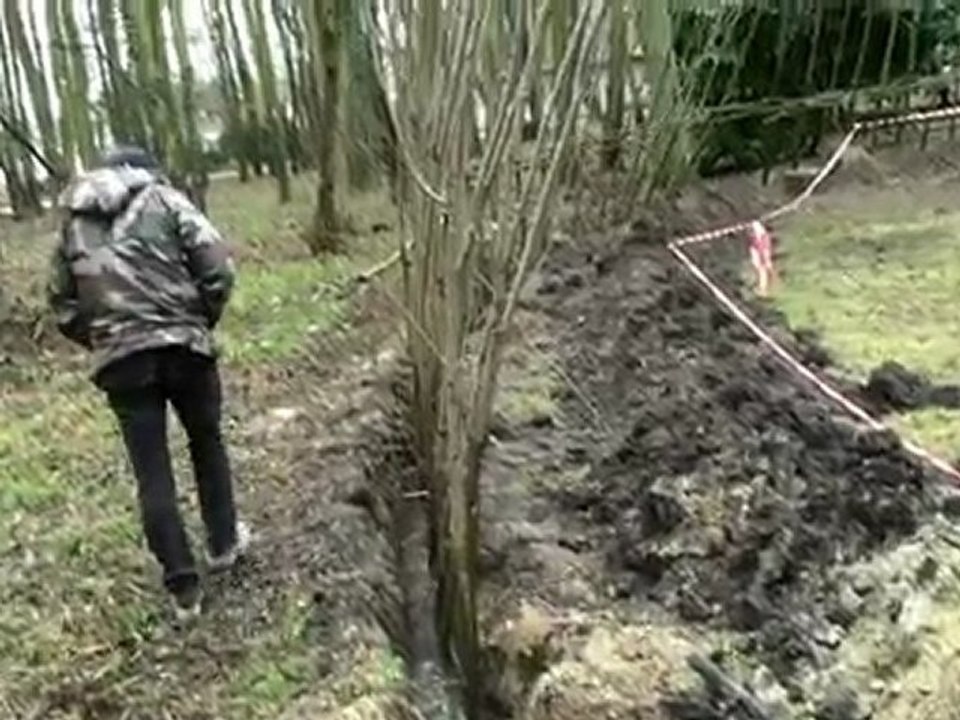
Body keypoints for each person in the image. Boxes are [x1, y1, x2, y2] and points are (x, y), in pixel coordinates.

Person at [47, 145, 249, 621]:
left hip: (122, 359)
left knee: (150, 468)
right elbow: (218, 268)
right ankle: (223, 544)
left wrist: (103, 337)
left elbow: (60, 301)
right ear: (144, 171)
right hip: (184, 347)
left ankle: (183, 590)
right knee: (206, 441)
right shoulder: (167, 201)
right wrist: (200, 319)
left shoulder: (73, 222)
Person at [748, 219, 776, 297]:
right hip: (759, 254)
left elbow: (765, 248)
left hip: (761, 254)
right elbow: (755, 247)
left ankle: (763, 289)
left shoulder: (763, 237)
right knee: (763, 271)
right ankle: (764, 287)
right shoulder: (759, 237)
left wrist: (765, 258)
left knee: (763, 271)